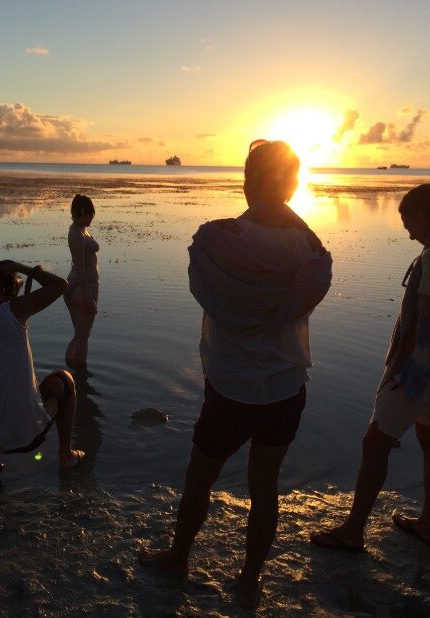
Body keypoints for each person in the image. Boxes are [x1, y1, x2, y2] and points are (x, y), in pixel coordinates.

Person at [138, 140, 332, 608]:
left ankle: (179, 557)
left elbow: (202, 291)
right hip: (285, 387)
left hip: (230, 387)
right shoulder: (311, 251)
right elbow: (307, 289)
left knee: (199, 478)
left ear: (247, 182)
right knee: (265, 487)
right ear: (292, 184)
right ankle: (250, 579)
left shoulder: (216, 240)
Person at [310, 183, 430, 552]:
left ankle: (354, 531)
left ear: (422, 215)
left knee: (375, 444)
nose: (407, 232)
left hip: (415, 373)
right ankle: (428, 525)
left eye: (408, 222)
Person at [0, 260, 86, 475]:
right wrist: (21, 268)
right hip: (28, 436)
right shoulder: (12, 312)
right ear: (2, 290)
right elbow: (60, 285)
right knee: (64, 379)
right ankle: (66, 456)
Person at [64, 194, 99, 368]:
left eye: (90, 213)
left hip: (78, 286)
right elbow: (80, 268)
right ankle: (81, 374)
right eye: (84, 214)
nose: (89, 217)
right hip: (81, 287)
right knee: (83, 337)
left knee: (80, 334)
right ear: (75, 213)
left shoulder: (82, 230)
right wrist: (89, 297)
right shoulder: (76, 235)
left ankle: (70, 366)